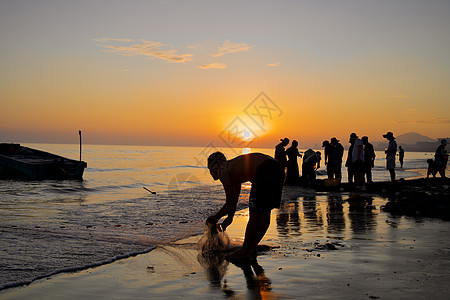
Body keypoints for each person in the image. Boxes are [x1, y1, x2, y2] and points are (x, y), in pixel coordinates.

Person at [206, 152, 284, 260]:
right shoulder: (233, 169)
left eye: (211, 169)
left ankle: (245, 249)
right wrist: (218, 217)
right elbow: (233, 201)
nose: (213, 173)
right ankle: (251, 248)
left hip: (264, 169)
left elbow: (230, 198)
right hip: (277, 168)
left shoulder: (223, 170)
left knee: (255, 215)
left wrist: (229, 218)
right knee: (265, 212)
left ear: (215, 166)